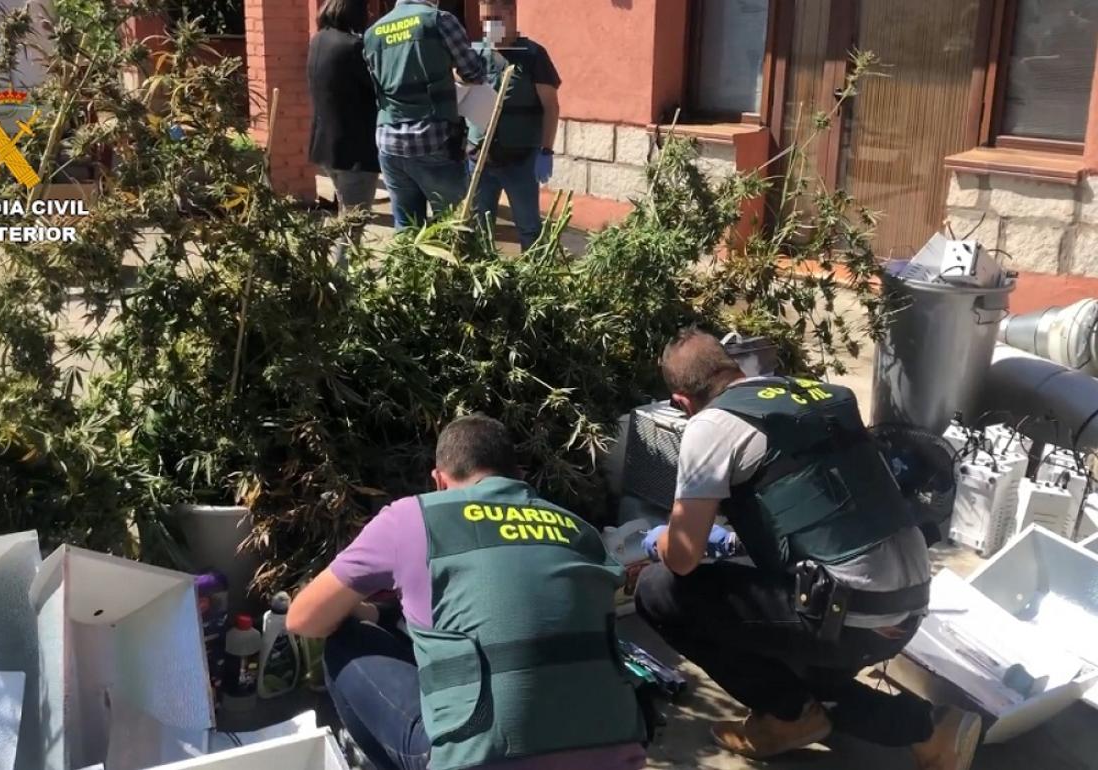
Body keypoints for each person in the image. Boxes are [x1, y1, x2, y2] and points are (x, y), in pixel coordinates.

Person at [634, 329, 982, 770]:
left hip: (846, 616)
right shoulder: (815, 395)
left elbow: (682, 556)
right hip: (907, 605)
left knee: (658, 589)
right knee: (798, 678)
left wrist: (660, 540)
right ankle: (931, 729)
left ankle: (789, 717)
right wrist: (737, 541)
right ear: (736, 368)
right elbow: (817, 507)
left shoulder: (711, 425)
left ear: (682, 402)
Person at [288, 415, 647, 770]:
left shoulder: (413, 519)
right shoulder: (579, 530)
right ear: (519, 475)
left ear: (439, 482)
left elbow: (304, 619)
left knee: (343, 643)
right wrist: (381, 613)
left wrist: (357, 612)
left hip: (479, 760)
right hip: (616, 753)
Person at [362, 0, 485, 231]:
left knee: (407, 229)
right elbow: (473, 71)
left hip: (389, 140)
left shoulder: (373, 32)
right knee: (455, 227)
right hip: (433, 137)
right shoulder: (439, 20)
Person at [466, 0, 560, 251]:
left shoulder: (533, 56)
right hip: (480, 160)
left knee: (529, 228)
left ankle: (535, 282)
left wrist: (546, 151)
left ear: (512, 14)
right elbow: (459, 89)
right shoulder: (476, 53)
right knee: (478, 229)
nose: (489, 26)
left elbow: (551, 106)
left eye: (495, 18)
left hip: (520, 161)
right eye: (485, 20)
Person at [308, 0, 381, 266]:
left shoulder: (318, 41)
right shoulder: (353, 47)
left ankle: (328, 275)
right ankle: (341, 284)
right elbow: (377, 87)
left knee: (344, 216)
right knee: (353, 224)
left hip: (326, 146)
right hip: (355, 151)